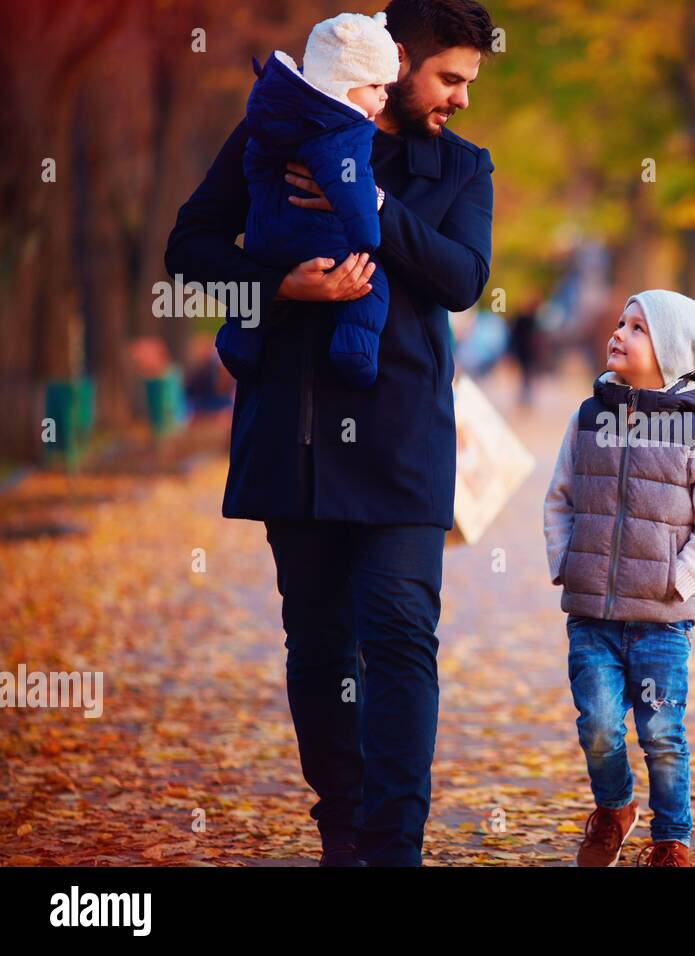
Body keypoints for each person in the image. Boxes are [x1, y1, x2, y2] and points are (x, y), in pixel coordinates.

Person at [164, 0, 497, 867]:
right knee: (316, 642)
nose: (461, 98)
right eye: (449, 77)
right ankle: (343, 829)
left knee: (397, 633)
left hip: (401, 443)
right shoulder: (271, 136)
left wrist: (369, 199)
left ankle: (395, 846)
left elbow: (463, 278)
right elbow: (190, 246)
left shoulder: (463, 167)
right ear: (395, 62)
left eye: (469, 81)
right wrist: (279, 288)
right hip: (296, 434)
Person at [543, 290, 695, 866]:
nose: (620, 335)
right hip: (593, 616)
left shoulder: (694, 432)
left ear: (672, 353)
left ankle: (671, 839)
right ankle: (615, 806)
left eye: (639, 329)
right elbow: (560, 498)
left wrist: (678, 582)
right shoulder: (589, 417)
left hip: (662, 622)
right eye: (621, 323)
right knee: (599, 726)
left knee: (662, 734)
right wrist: (566, 562)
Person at [218, 12, 399, 389]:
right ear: (344, 83)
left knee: (255, 298)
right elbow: (352, 185)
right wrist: (368, 235)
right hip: (316, 241)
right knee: (373, 285)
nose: (384, 95)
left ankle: (239, 342)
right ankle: (355, 351)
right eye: (376, 85)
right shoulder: (344, 127)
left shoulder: (275, 108)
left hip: (264, 239)